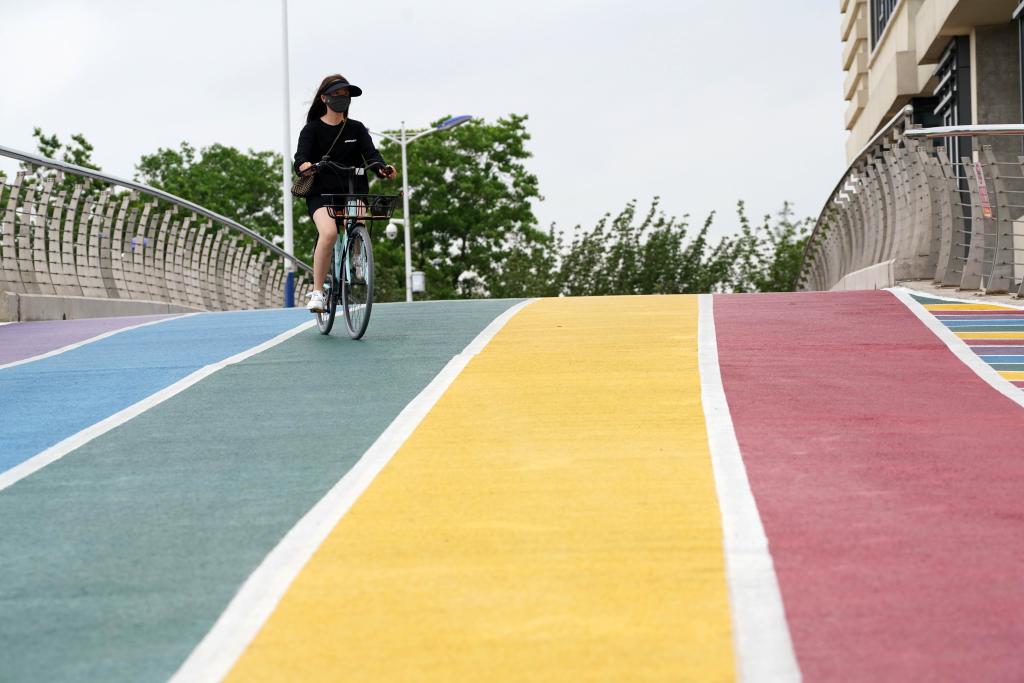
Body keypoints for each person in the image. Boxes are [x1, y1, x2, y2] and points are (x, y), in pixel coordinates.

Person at [294, 74, 396, 312]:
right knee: (328, 233)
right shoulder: (312, 130)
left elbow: (372, 156)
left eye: (345, 95)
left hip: (353, 190)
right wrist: (304, 166)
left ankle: (358, 256)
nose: (342, 99)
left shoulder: (357, 129)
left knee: (358, 216)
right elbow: (300, 158)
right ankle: (318, 292)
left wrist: (383, 168)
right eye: (337, 95)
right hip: (322, 194)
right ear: (324, 98)